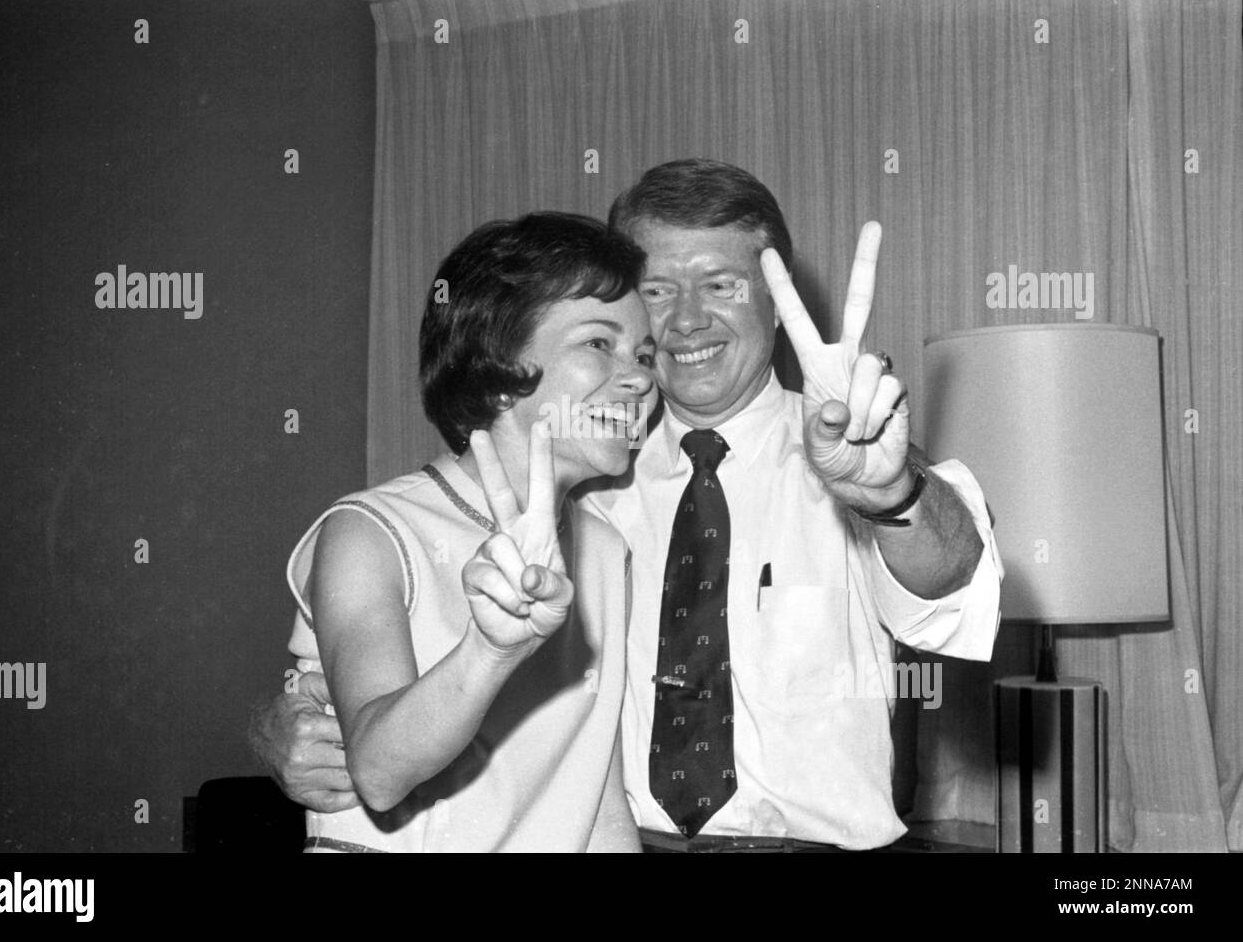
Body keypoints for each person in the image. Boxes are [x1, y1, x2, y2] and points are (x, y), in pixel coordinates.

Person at [253, 160, 1002, 851]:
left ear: (780, 308)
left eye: (720, 284)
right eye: (656, 293)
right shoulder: (588, 482)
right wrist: (287, 723)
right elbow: (384, 652)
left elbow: (951, 580)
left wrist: (889, 489)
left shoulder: (851, 451)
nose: (685, 321)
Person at [279, 211, 656, 851]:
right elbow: (378, 771)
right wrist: (493, 650)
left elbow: (599, 805)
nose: (641, 376)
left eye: (643, 355)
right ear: (500, 369)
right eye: (599, 344)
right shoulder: (369, 532)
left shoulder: (603, 550)